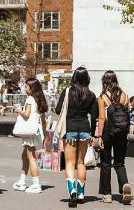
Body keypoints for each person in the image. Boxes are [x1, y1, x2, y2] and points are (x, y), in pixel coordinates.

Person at [56, 67, 98, 207]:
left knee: (69, 163)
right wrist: (92, 134)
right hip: (85, 129)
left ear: (74, 77)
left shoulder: (68, 91)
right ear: (87, 78)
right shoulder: (91, 95)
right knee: (81, 162)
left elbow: (58, 109)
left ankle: (72, 191)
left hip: (70, 129)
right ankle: (81, 194)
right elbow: (94, 116)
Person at [94, 71, 134, 204]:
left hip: (107, 132)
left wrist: (99, 136)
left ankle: (107, 194)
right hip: (122, 133)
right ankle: (124, 185)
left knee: (105, 163)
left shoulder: (102, 97)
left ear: (104, 82)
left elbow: (101, 117)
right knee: (120, 162)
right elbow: (127, 116)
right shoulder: (124, 96)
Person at [13, 78, 47, 194]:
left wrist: (19, 110)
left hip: (29, 132)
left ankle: (36, 184)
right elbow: (43, 119)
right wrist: (45, 132)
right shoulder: (39, 100)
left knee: (31, 157)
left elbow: (26, 115)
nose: (25, 88)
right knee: (25, 155)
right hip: (35, 131)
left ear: (32, 89)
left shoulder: (30, 99)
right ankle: (22, 181)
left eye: (26, 87)